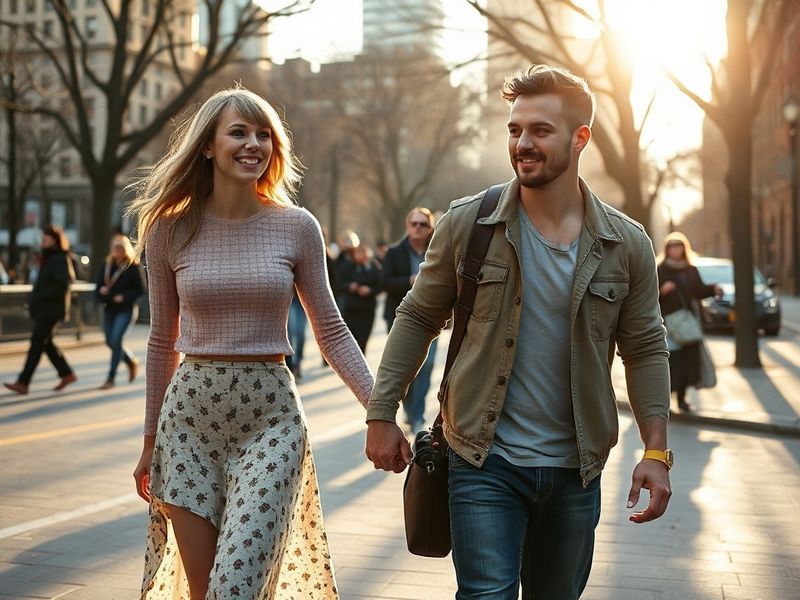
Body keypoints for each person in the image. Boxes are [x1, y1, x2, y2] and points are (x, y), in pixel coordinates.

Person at [365, 64, 673, 599]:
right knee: (486, 594)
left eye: (539, 131)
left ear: (580, 139)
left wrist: (656, 451)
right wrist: (381, 411)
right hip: (484, 460)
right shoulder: (467, 224)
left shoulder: (627, 244)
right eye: (514, 130)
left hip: (577, 467)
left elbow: (645, 348)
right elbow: (417, 317)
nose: (522, 143)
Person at [128, 87, 374, 600]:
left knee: (235, 587)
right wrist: (151, 441)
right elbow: (160, 342)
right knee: (203, 591)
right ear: (207, 147)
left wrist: (380, 408)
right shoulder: (169, 230)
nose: (253, 144)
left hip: (271, 421)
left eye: (263, 134)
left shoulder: (297, 226)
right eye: (238, 132)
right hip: (189, 423)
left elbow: (330, 327)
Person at [380, 207, 439, 434]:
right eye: (414, 224)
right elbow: (384, 283)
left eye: (422, 224)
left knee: (427, 366)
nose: (417, 228)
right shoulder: (394, 252)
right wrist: (410, 280)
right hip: (400, 319)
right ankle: (408, 407)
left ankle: (417, 415)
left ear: (430, 228)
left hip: (433, 320)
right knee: (405, 369)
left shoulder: (437, 251)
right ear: (408, 226)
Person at [4, 226, 77, 395]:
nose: (43, 239)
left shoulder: (59, 258)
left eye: (47, 237)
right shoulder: (48, 257)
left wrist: (40, 296)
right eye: (43, 236)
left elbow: (62, 285)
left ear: (55, 240)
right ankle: (67, 373)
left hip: (51, 310)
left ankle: (23, 382)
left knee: (37, 343)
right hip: (45, 309)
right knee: (47, 344)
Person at [657, 231, 722, 412]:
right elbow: (648, 294)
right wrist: (662, 291)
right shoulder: (660, 269)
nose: (675, 250)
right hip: (668, 322)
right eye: (671, 247)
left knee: (688, 359)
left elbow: (698, 290)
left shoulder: (691, 269)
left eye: (678, 246)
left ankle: (682, 398)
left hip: (688, 321)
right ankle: (666, 400)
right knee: (672, 360)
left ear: (684, 249)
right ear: (667, 250)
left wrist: (712, 289)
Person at [95, 234, 146, 390]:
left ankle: (111, 378)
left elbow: (141, 290)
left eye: (120, 247)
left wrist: (124, 297)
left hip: (126, 309)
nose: (117, 250)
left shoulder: (133, 266)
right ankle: (130, 361)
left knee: (116, 340)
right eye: (115, 247)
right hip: (109, 308)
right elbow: (98, 286)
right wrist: (101, 291)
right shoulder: (107, 265)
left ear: (125, 248)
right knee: (109, 341)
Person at [336, 243, 381, 353]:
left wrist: (370, 290)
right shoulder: (347, 266)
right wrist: (350, 286)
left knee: (363, 338)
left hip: (368, 308)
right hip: (351, 308)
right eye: (358, 253)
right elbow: (338, 284)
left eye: (363, 252)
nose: (361, 255)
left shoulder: (374, 267)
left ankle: (361, 361)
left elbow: (381, 284)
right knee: (351, 338)